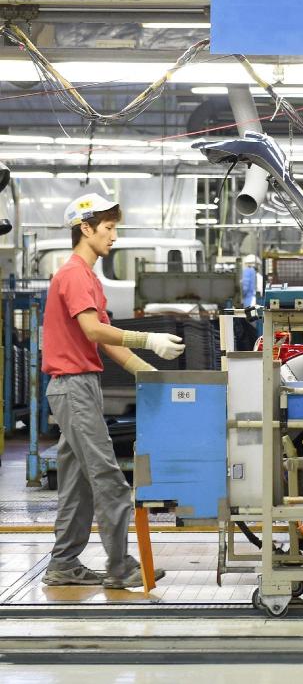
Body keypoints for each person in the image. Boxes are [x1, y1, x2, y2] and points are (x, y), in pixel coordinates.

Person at [41, 193, 185, 589]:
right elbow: (93, 330)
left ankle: (64, 564)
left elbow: (106, 341)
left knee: (77, 483)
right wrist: (148, 339)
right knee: (109, 478)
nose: (114, 236)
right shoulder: (73, 274)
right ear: (85, 228)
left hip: (81, 386)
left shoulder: (88, 278)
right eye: (108, 228)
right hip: (72, 387)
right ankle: (121, 567)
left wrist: (149, 373)